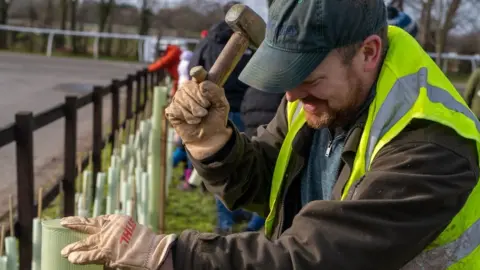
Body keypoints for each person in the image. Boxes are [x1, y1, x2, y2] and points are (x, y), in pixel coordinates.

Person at [61, 0, 480, 269]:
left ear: (368, 52)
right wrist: (215, 145)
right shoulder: (322, 95)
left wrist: (169, 256)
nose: (293, 95)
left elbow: (317, 257)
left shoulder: (429, 143)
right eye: (287, 77)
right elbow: (272, 184)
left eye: (309, 78)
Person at [187, 1, 255, 235]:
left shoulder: (208, 41)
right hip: (246, 108)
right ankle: (233, 216)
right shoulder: (251, 43)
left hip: (218, 110)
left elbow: (193, 68)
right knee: (243, 162)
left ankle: (228, 220)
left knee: (224, 165)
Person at [238, 86, 285, 232]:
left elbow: (243, 109)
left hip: (254, 131)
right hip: (271, 132)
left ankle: (240, 221)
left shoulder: (250, 89)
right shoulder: (279, 90)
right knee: (273, 187)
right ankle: (254, 225)